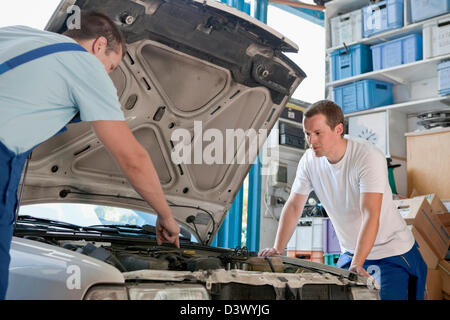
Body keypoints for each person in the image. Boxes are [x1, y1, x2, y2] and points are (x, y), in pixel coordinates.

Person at [0, 11, 180, 299]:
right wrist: (167, 216)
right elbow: (133, 158)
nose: (107, 74)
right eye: (111, 66)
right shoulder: (85, 64)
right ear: (98, 45)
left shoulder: (17, 33)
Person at [259, 100, 427, 300]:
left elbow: (370, 214)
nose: (310, 141)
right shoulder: (309, 161)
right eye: (307, 133)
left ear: (338, 129)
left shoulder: (367, 156)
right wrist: (278, 248)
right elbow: (295, 205)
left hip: (390, 250)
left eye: (318, 133)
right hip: (352, 251)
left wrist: (358, 262)